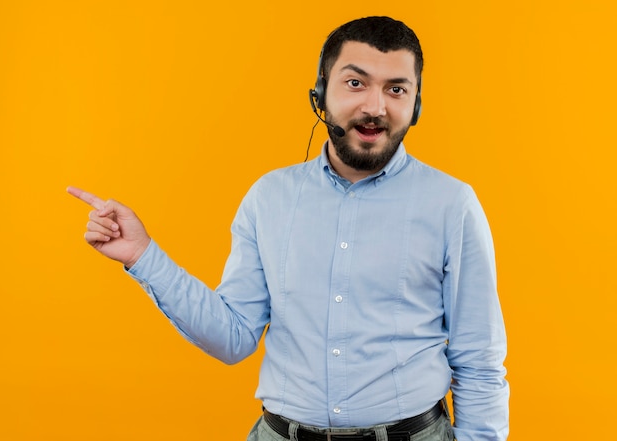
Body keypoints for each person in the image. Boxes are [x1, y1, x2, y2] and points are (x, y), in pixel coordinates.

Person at [68, 16, 509, 441]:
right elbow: (234, 337)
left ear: (416, 105)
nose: (375, 107)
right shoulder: (270, 198)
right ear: (320, 94)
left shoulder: (452, 204)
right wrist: (143, 255)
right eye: (355, 83)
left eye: (396, 89)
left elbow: (479, 361)